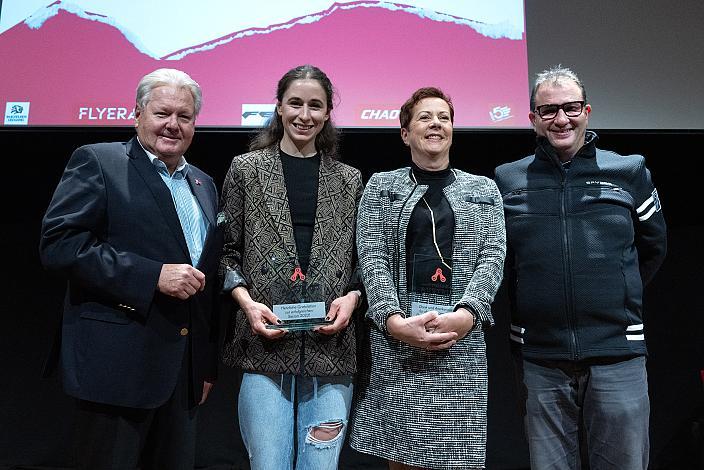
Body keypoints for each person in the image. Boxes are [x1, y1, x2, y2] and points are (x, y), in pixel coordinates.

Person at [39, 68, 222, 469]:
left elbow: (204, 284)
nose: (173, 125)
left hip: (181, 376)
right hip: (116, 370)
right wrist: (152, 275)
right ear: (136, 113)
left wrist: (203, 366)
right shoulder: (99, 161)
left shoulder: (204, 184)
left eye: (185, 116)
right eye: (162, 113)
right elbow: (60, 245)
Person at [494, 66, 667, 469]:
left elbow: (653, 247)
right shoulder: (508, 178)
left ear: (587, 111)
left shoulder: (628, 172)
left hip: (617, 353)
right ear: (533, 119)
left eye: (570, 107)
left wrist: (616, 292)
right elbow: (500, 261)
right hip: (540, 357)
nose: (561, 119)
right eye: (549, 110)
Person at [349, 87, 506, 469]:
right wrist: (392, 321)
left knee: (456, 456)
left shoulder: (483, 190)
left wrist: (468, 314)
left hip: (460, 343)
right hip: (398, 343)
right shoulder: (381, 187)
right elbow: (372, 257)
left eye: (444, 117)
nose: (436, 123)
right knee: (401, 458)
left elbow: (493, 256)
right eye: (425, 117)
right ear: (405, 133)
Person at [219, 64, 363, 470]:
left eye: (315, 106)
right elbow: (227, 254)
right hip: (265, 347)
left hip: (330, 351)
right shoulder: (246, 170)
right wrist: (246, 304)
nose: (305, 114)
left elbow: (362, 261)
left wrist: (352, 297)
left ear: (327, 113)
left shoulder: (350, 180)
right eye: (295, 103)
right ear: (279, 108)